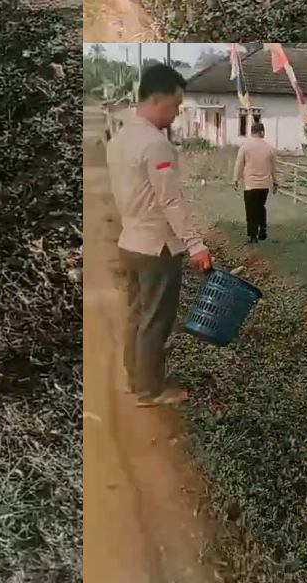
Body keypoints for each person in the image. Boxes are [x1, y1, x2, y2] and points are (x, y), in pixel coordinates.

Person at [106, 63, 212, 407]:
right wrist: (196, 244)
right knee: (155, 320)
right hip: (156, 247)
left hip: (130, 241)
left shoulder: (119, 139)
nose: (177, 114)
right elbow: (169, 199)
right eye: (175, 106)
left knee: (137, 315)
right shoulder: (155, 144)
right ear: (156, 99)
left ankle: (135, 379)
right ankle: (150, 391)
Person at [233, 122, 278, 242]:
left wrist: (236, 179)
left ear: (252, 132)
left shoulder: (245, 147)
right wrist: (275, 182)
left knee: (250, 209)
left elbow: (239, 164)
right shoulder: (268, 148)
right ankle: (262, 230)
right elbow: (273, 168)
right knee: (260, 207)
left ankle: (253, 235)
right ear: (262, 132)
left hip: (250, 184)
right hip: (264, 184)